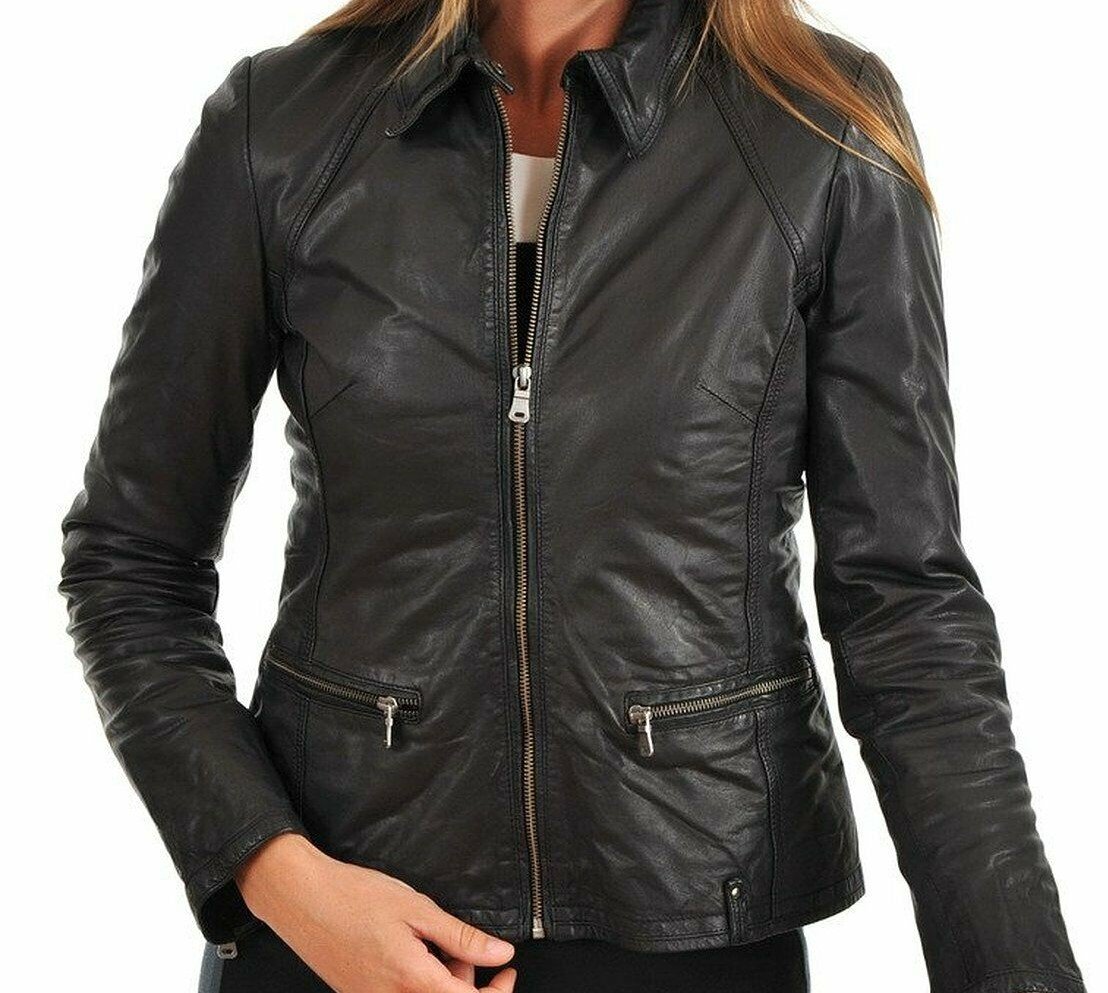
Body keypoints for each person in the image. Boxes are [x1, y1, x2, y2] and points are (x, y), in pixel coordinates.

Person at [59, 1, 1085, 991]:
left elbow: (904, 613)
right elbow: (129, 565)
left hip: (695, 929)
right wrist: (281, 878)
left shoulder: (819, 128)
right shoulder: (282, 125)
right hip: (339, 925)